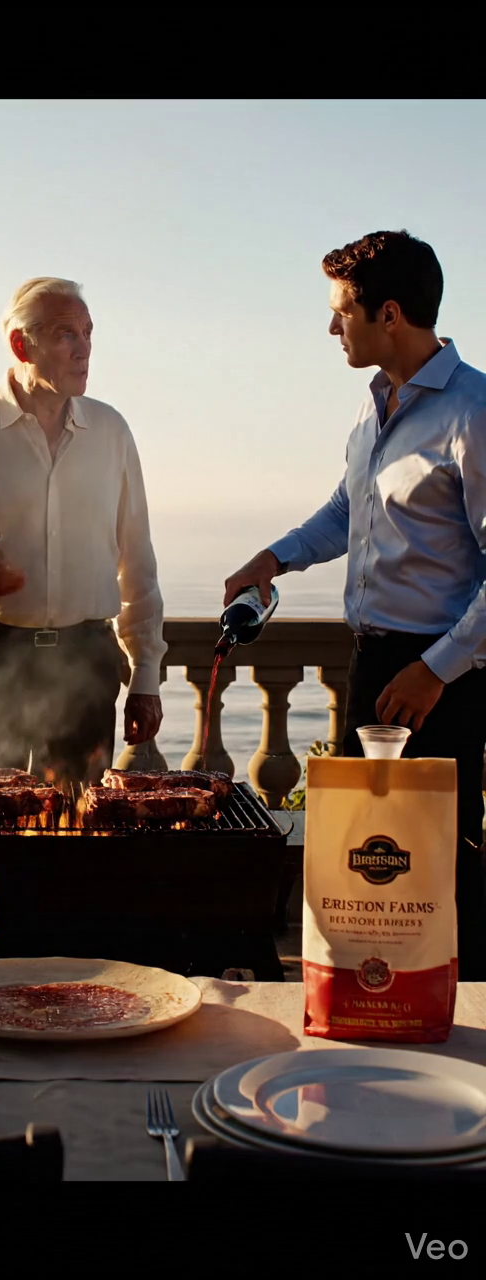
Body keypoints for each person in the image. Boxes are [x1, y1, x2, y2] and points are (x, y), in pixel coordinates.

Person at [224, 230, 486, 979]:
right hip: (373, 664)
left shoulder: (475, 412)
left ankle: (460, 1038)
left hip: (445, 682)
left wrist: (436, 671)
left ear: (391, 315)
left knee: (439, 872)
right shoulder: (372, 415)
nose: (332, 326)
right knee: (372, 864)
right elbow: (345, 513)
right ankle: (375, 1008)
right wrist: (272, 559)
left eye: (342, 311)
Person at [0, 277, 166, 784]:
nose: (85, 348)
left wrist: (145, 676)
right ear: (21, 344)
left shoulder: (112, 432)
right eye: (67, 334)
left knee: (76, 831)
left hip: (85, 663)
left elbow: (138, 562)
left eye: (89, 333)